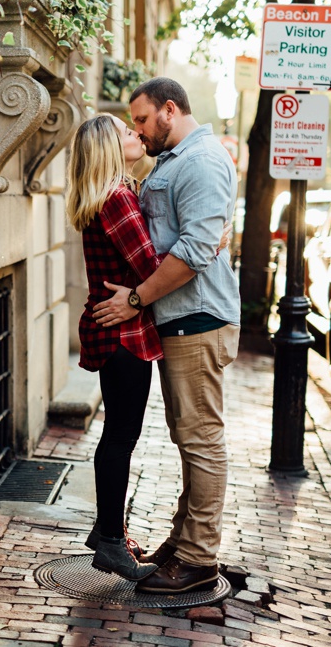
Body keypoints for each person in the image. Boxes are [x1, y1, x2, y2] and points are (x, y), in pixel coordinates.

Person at [93, 77, 241, 594]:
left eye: (140, 119)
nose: (137, 129)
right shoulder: (177, 159)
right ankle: (183, 542)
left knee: (200, 440)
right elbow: (193, 235)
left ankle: (198, 559)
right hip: (178, 318)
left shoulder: (199, 160)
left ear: (170, 110)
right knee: (188, 438)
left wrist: (135, 298)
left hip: (198, 319)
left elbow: (196, 248)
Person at [67, 114, 162, 582]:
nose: (136, 135)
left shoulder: (104, 196)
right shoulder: (117, 199)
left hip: (115, 331)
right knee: (121, 437)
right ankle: (109, 542)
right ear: (109, 147)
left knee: (117, 434)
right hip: (124, 334)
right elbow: (151, 265)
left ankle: (108, 531)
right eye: (127, 131)